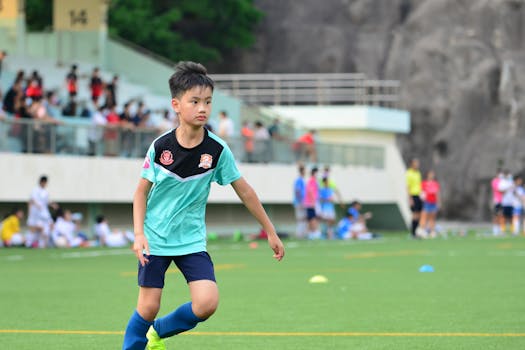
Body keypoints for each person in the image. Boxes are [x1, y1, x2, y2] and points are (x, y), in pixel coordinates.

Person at [122, 61, 285, 350]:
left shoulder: (217, 149)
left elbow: (245, 191)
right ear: (176, 104)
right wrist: (138, 234)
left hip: (191, 240)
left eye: (208, 102)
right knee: (147, 307)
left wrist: (270, 231)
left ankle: (157, 333)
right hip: (156, 238)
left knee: (207, 303)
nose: (203, 108)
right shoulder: (161, 147)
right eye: (194, 101)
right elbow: (140, 192)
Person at [26, 175, 55, 248]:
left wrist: (52, 205)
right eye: (44, 182)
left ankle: (43, 245)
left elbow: (47, 202)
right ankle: (29, 244)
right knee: (34, 229)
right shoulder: (35, 190)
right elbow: (32, 200)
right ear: (42, 182)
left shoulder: (45, 192)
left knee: (47, 228)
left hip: (44, 214)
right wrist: (36, 206)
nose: (45, 184)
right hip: (35, 214)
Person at [419, 170, 441, 238]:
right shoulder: (424, 183)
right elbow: (422, 192)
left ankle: (432, 231)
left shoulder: (435, 183)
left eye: (432, 174)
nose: (432, 175)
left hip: (433, 202)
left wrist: (438, 202)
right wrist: (422, 197)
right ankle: (421, 230)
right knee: (424, 216)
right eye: (430, 174)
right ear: (427, 175)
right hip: (427, 202)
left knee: (432, 217)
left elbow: (437, 194)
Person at [406, 158, 422, 238]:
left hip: (419, 196)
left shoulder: (418, 173)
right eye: (416, 163)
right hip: (413, 196)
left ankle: (416, 232)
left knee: (419, 214)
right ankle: (412, 233)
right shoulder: (409, 173)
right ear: (412, 164)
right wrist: (410, 198)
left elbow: (419, 185)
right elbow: (408, 186)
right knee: (414, 214)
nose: (417, 164)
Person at [303, 166, 321, 239]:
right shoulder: (312, 180)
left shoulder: (314, 180)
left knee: (312, 217)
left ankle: (312, 233)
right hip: (311, 203)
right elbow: (310, 191)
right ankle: (313, 233)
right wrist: (314, 201)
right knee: (312, 218)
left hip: (312, 202)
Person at [293, 164, 307, 238]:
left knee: (303, 218)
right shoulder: (299, 180)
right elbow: (297, 191)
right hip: (300, 202)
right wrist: (301, 201)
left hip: (302, 202)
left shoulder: (301, 180)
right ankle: (299, 234)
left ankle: (302, 234)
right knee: (300, 218)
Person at [491, 169, 504, 235]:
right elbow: (499, 189)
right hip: (496, 200)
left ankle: (499, 230)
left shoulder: (501, 181)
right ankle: (495, 230)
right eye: (500, 174)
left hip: (502, 201)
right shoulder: (494, 181)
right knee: (496, 216)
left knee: (500, 215)